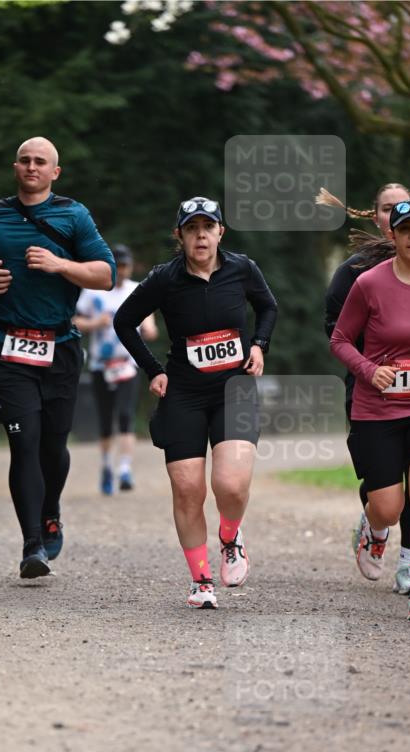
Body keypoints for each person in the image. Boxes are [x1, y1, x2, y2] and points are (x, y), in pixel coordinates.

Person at [0, 136, 116, 578]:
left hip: (59, 347)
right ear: (15, 167)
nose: (32, 167)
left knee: (52, 446)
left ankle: (50, 511)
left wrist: (60, 265)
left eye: (40, 162)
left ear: (54, 172)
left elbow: (105, 275)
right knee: (24, 442)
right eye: (25, 160)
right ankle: (33, 545)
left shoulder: (73, 215)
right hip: (7, 348)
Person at [113, 197, 277, 609]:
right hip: (183, 393)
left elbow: (268, 307)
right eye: (192, 229)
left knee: (231, 485)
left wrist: (259, 345)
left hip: (234, 390)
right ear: (180, 235)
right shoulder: (164, 279)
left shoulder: (242, 269)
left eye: (208, 227)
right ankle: (201, 580)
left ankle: (230, 536)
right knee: (188, 490)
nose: (200, 236)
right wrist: (153, 370)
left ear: (221, 232)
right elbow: (123, 321)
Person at [321, 182, 410, 594]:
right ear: (379, 220)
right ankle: (376, 525)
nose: (400, 220)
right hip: (370, 390)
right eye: (389, 210)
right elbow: (336, 332)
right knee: (387, 497)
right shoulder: (358, 274)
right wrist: (370, 366)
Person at [74, 244, 158, 494]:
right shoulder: (92, 291)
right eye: (117, 266)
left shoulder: (137, 289)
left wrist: (149, 329)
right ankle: (106, 467)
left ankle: (124, 469)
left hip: (127, 363)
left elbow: (150, 323)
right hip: (101, 364)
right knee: (105, 419)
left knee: (125, 415)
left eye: (125, 266)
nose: (121, 271)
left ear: (130, 267)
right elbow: (75, 321)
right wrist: (94, 323)